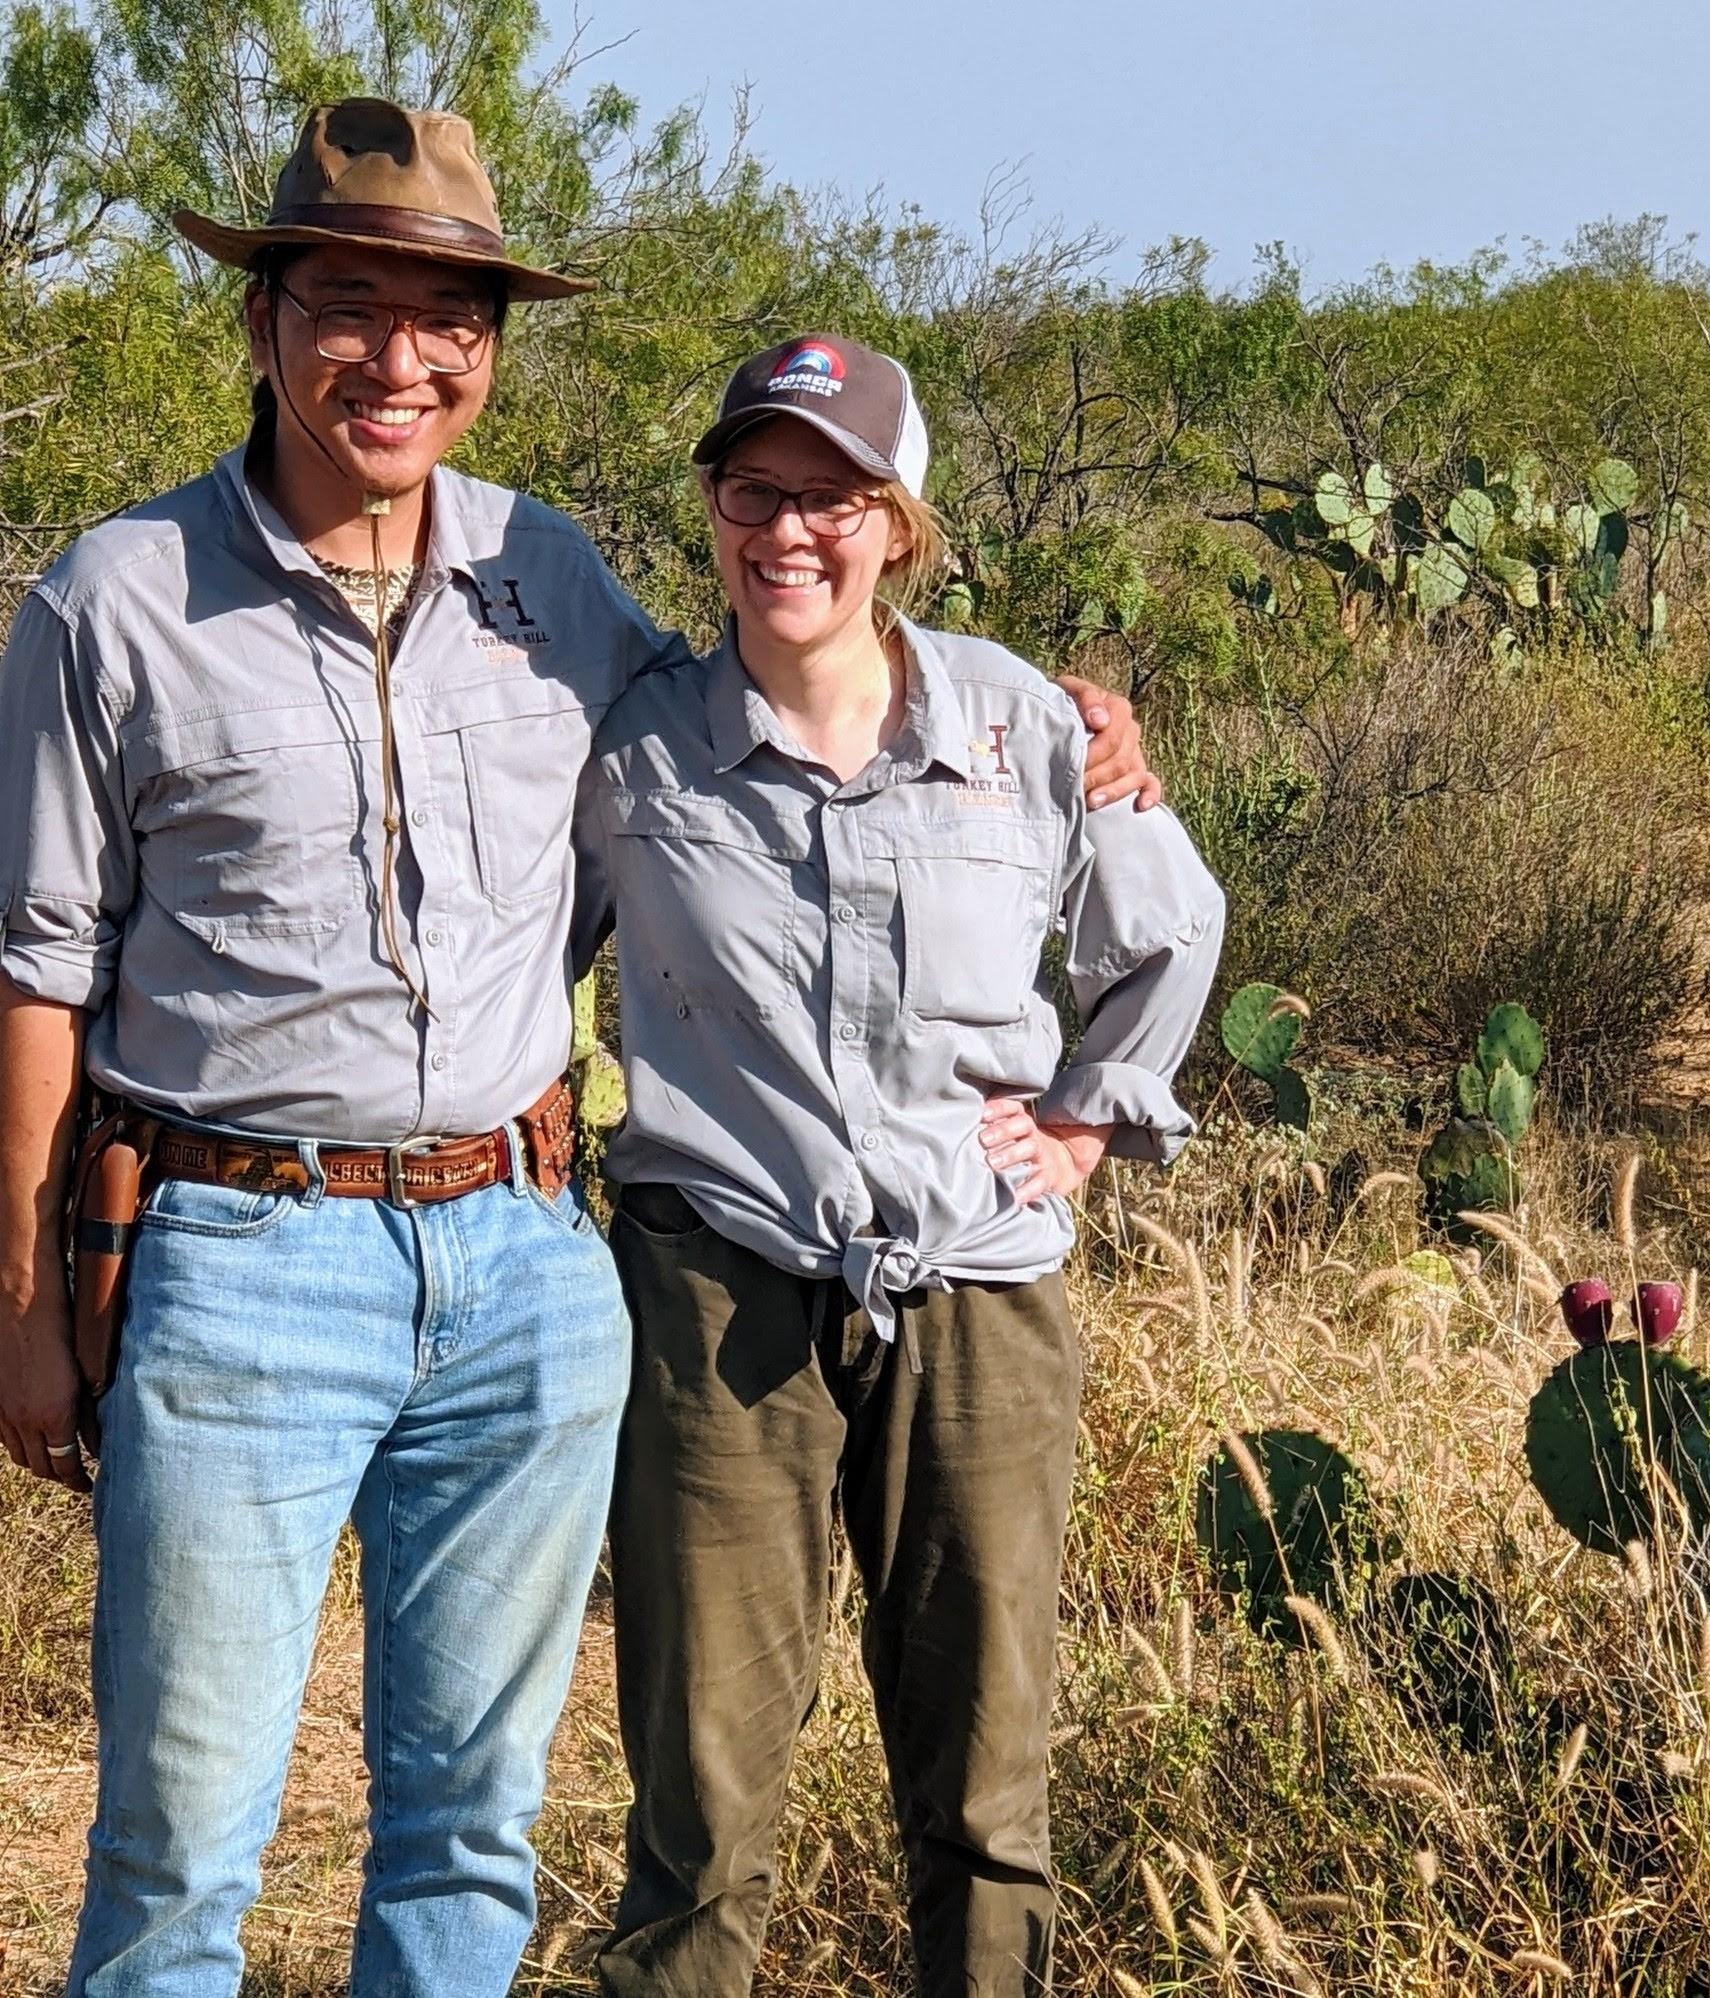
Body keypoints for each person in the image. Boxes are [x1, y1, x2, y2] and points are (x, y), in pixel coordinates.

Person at [0, 103, 1153, 1998]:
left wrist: (1059, 726)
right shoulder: (115, 600)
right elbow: (35, 964)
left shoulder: (550, 582)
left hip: (528, 1263)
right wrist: (29, 1295)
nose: (399, 354)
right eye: (349, 302)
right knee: (180, 1843)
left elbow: (786, 710)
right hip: (236, 1257)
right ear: (267, 318)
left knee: (471, 1835)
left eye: (448, 314)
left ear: (492, 349)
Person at [581, 333, 1224, 1997]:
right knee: (703, 1794)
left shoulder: (1022, 724)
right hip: (716, 1289)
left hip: (975, 1298)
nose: (787, 532)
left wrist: (1086, 1119)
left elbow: (1168, 929)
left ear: (901, 521)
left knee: (986, 1780)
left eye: (833, 498)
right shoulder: (630, 740)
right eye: (754, 490)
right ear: (712, 505)